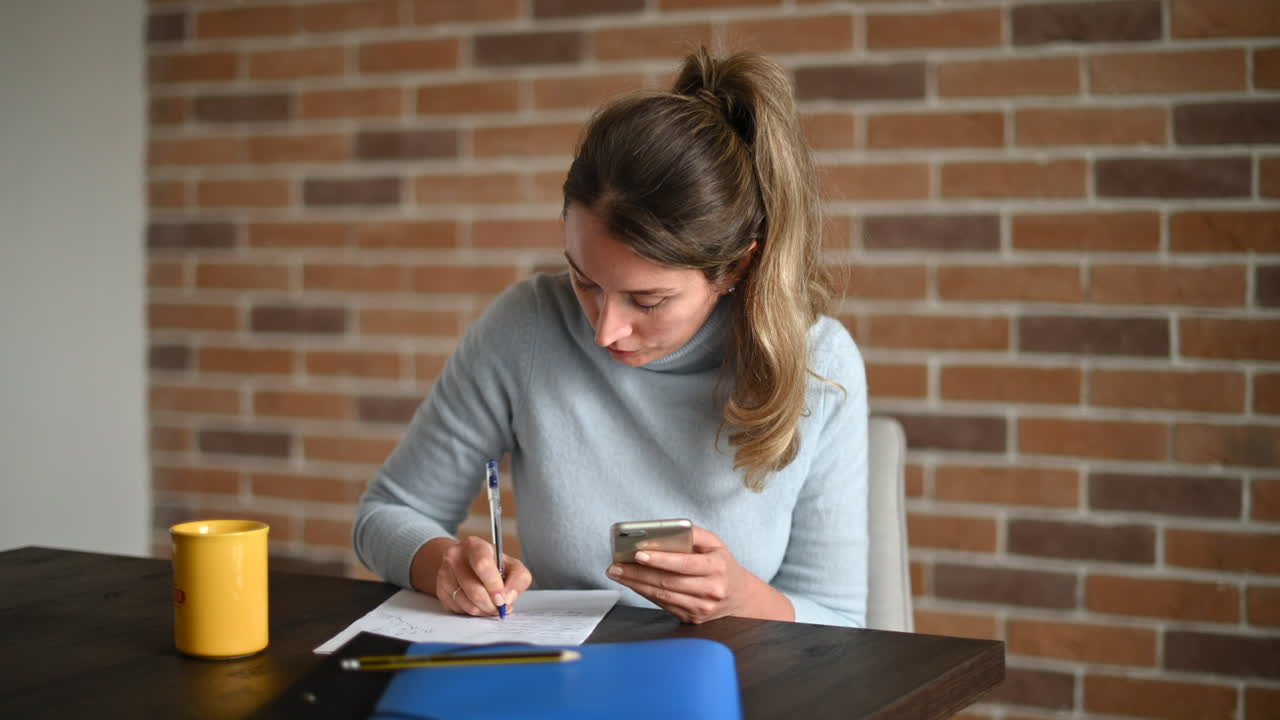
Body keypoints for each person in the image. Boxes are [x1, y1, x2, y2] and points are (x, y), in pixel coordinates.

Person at [353, 47, 868, 628]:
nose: (604, 331)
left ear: (736, 269)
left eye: (647, 301)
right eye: (584, 280)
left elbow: (842, 621)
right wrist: (442, 562)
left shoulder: (821, 363)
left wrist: (740, 601)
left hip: (737, 683)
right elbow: (388, 512)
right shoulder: (526, 326)